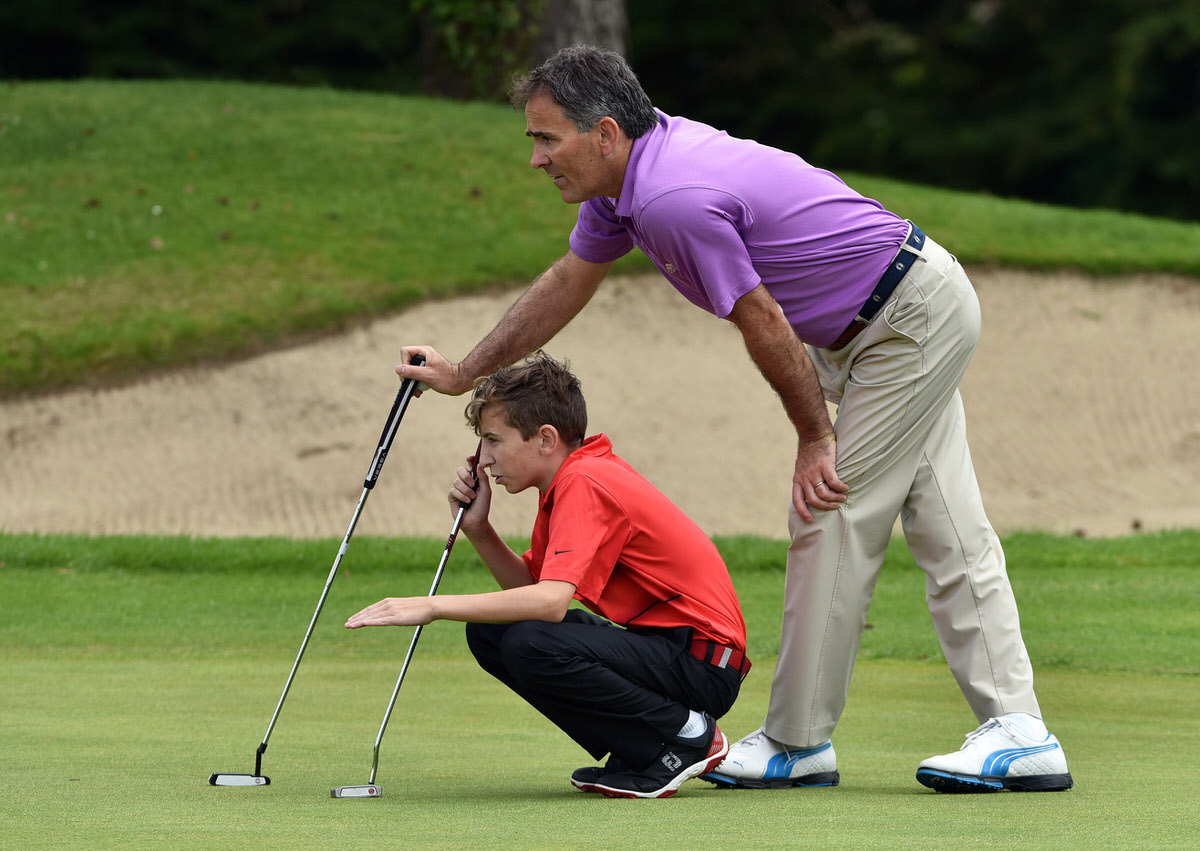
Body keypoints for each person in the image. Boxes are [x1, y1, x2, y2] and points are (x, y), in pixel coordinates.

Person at [393, 46, 1071, 794]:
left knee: (829, 511)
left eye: (547, 138)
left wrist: (816, 438)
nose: (536, 158)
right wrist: (464, 372)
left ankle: (797, 740)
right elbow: (566, 282)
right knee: (947, 522)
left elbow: (763, 320)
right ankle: (1020, 728)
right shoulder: (624, 188)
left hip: (904, 320)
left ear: (607, 133)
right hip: (887, 319)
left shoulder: (667, 198)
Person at [345, 352, 750, 799]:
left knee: (529, 641)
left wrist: (432, 606)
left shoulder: (585, 481)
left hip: (703, 665)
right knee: (491, 633)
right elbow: (530, 592)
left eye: (494, 440)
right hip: (672, 653)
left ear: (545, 439)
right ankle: (646, 751)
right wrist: (478, 529)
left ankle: (687, 736)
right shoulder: (568, 481)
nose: (484, 459)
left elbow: (549, 603)